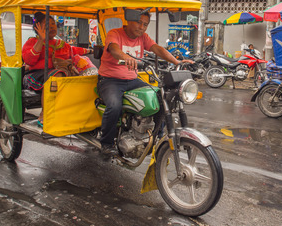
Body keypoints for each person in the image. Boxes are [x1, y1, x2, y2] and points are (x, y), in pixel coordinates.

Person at [97, 11, 192, 157]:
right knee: (114, 106)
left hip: (132, 80)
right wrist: (125, 57)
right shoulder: (114, 33)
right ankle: (106, 144)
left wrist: (177, 61)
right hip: (110, 80)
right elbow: (114, 49)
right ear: (129, 20)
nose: (141, 27)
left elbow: (157, 49)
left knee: (161, 97)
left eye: (145, 24)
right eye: (139, 22)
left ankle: (156, 136)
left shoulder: (143, 37)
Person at [22, 12, 93, 126]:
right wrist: (41, 39)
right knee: (57, 75)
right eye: (47, 24)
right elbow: (29, 60)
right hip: (34, 75)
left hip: (58, 72)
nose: (52, 26)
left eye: (53, 23)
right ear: (38, 27)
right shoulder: (32, 42)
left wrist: (91, 51)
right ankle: (44, 114)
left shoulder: (61, 43)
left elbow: (73, 50)